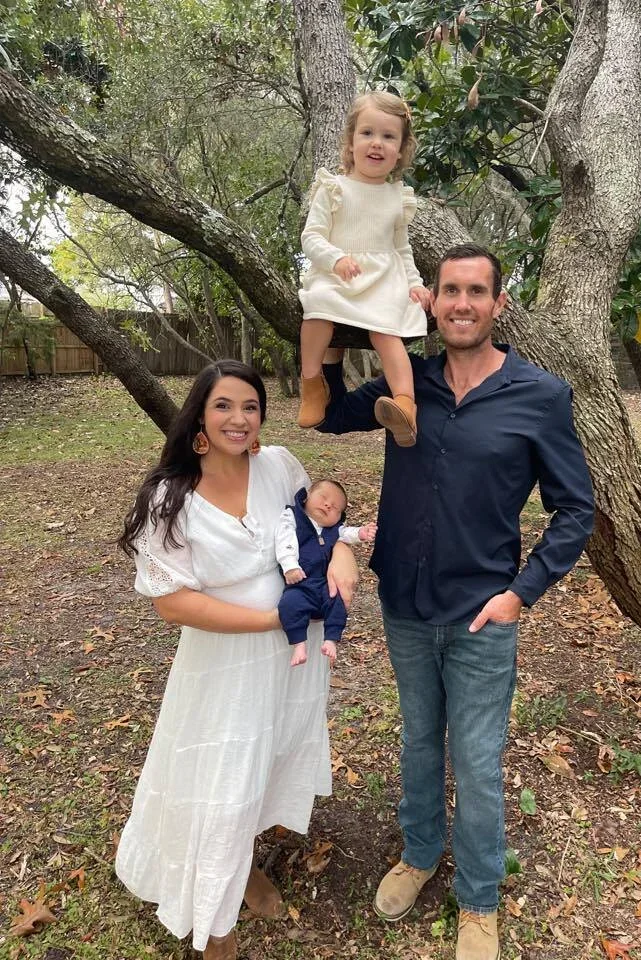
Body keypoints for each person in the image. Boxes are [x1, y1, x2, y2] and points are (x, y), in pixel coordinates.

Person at [318, 244, 595, 960]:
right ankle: (418, 854)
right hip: (406, 604)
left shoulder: (540, 395)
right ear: (430, 301)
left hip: (481, 614)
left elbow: (574, 510)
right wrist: (338, 306)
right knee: (416, 741)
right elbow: (320, 413)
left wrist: (520, 595)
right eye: (450, 291)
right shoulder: (404, 383)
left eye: (477, 291)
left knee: (474, 760)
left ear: (498, 304)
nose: (462, 303)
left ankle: (477, 899)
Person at [114, 360, 357, 960]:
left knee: (266, 763)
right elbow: (173, 604)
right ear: (199, 416)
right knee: (220, 778)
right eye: (224, 405)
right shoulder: (170, 500)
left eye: (250, 406)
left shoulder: (279, 468)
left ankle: (242, 862)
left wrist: (344, 568)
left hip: (291, 663)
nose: (239, 419)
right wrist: (271, 619)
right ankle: (214, 923)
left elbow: (324, 529)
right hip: (225, 668)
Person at [298, 90, 431, 446]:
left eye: (389, 137)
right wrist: (334, 259)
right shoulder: (333, 188)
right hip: (338, 276)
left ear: (401, 150)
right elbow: (311, 237)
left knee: (387, 333)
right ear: (351, 141)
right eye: (368, 133)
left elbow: (402, 249)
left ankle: (405, 403)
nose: (377, 144)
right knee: (317, 313)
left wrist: (415, 283)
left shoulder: (397, 197)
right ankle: (312, 383)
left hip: (382, 280)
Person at [275, 478, 377, 667]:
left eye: (336, 508)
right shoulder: (293, 517)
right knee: (290, 605)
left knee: (337, 603)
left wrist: (362, 533)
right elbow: (284, 538)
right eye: (323, 497)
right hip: (299, 581)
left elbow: (347, 533)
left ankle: (331, 639)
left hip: (323, 583)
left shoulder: (332, 529)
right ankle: (298, 643)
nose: (328, 505)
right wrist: (289, 564)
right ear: (307, 496)